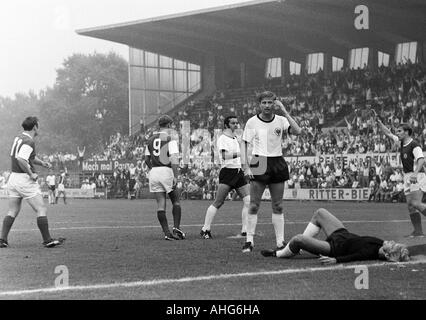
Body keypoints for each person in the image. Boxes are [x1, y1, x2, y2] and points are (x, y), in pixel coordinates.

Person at [241, 91, 302, 253]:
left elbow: (297, 131)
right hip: (259, 161)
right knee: (254, 205)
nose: (267, 106)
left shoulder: (281, 120)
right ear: (259, 104)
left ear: (274, 104)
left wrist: (284, 111)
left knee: (278, 205)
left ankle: (280, 242)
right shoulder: (252, 122)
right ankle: (249, 241)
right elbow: (244, 144)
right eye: (264, 103)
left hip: (277, 161)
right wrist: (245, 166)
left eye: (270, 103)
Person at [0, 116, 64, 248]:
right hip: (24, 179)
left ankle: (2, 239)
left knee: (12, 211)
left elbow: (29, 157)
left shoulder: (19, 138)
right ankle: (47, 240)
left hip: (13, 178)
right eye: (38, 124)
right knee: (41, 208)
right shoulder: (29, 141)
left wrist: (42, 163)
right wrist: (31, 174)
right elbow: (21, 159)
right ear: (35, 126)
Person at [261, 208, 410, 264]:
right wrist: (399, 249)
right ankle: (297, 249)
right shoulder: (380, 244)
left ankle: (277, 253)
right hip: (341, 233)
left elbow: (355, 257)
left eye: (392, 244)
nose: (390, 241)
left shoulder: (370, 253)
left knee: (298, 239)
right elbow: (383, 243)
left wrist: (336, 259)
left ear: (387, 253)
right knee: (320, 213)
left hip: (333, 248)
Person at [200, 115, 250, 239]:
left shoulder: (235, 138)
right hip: (227, 172)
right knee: (218, 202)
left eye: (237, 123)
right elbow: (224, 156)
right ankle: (205, 228)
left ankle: (245, 230)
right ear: (227, 125)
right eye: (233, 123)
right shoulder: (222, 138)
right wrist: (240, 153)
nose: (236, 125)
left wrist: (245, 168)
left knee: (248, 201)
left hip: (238, 172)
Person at [378, 120, 426, 237]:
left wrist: (415, 173)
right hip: (408, 176)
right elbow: (388, 133)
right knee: (410, 206)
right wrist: (379, 123)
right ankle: (418, 232)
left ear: (406, 132)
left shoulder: (414, 144)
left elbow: (421, 160)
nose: (397, 133)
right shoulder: (400, 143)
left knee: (415, 203)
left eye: (399, 131)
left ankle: (418, 231)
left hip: (417, 175)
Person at [144, 115, 185, 241]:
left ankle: (167, 233)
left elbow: (146, 159)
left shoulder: (150, 139)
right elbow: (173, 159)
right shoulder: (170, 139)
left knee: (161, 204)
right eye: (172, 125)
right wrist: (176, 176)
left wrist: (154, 169)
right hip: (166, 171)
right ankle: (176, 228)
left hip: (154, 172)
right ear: (168, 125)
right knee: (176, 201)